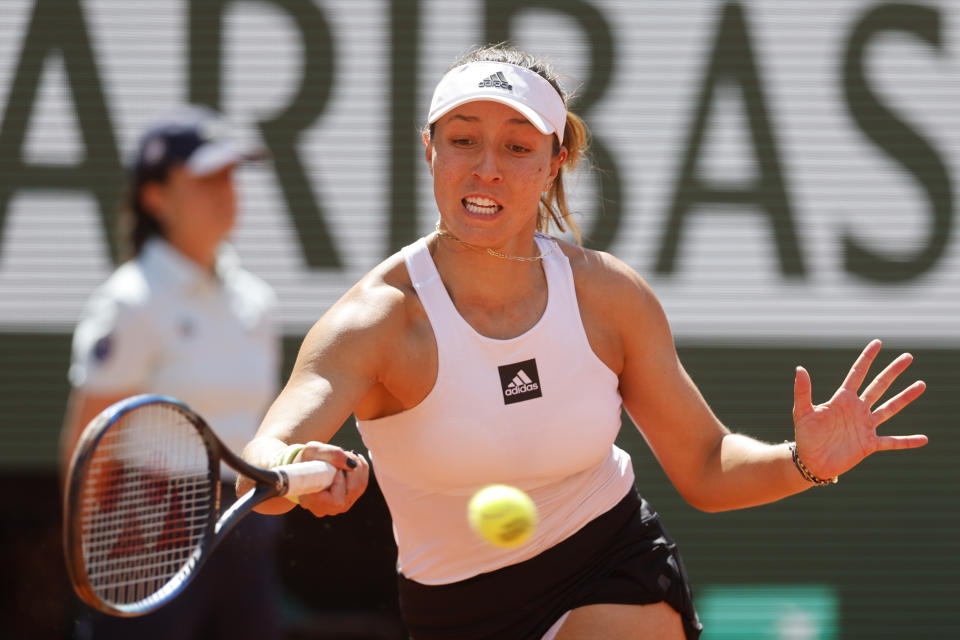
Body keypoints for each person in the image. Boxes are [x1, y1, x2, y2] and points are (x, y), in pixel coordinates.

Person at [238, 45, 927, 640]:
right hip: (452, 611)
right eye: (463, 139)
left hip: (611, 561)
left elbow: (708, 466)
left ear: (553, 161)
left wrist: (803, 460)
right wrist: (295, 470)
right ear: (429, 149)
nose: (486, 169)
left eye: (517, 146)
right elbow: (260, 469)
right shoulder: (377, 320)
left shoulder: (608, 297)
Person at [60, 106, 284, 640]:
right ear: (154, 196)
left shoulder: (256, 302)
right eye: (206, 178)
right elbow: (90, 441)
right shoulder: (130, 302)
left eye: (230, 176)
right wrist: (82, 556)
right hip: (147, 533)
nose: (226, 190)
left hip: (246, 528)